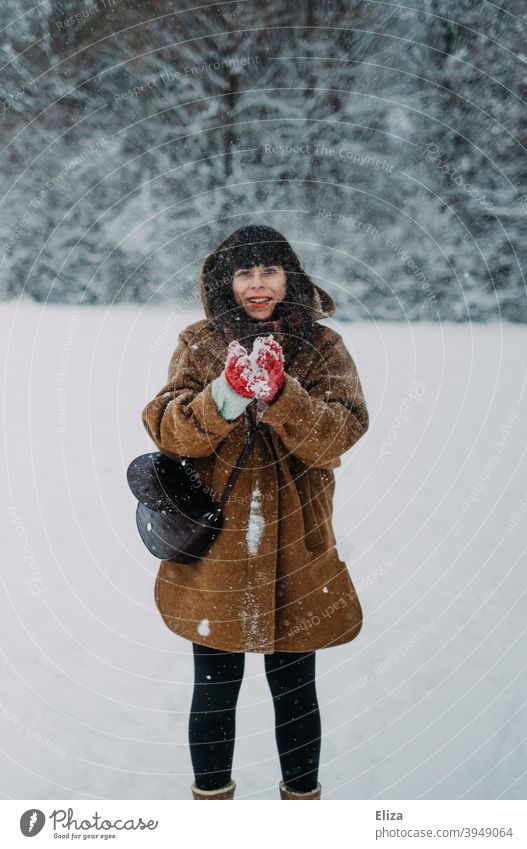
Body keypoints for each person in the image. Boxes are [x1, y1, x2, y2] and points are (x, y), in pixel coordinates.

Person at [142, 224, 369, 800]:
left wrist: (281, 396)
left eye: (269, 270)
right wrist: (225, 396)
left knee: (295, 689)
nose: (258, 284)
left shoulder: (323, 348)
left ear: (289, 276)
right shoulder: (199, 343)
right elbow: (169, 430)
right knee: (214, 690)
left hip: (297, 547)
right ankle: (212, 810)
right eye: (245, 272)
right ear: (228, 281)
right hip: (216, 551)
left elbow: (340, 432)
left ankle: (301, 810)